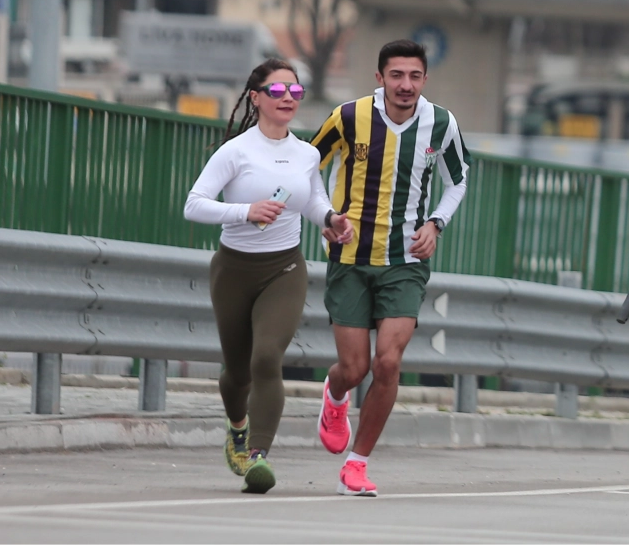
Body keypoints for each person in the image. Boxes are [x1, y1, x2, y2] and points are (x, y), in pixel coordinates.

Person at [183, 58, 353, 494]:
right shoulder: (236, 151)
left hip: (285, 268)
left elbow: (314, 202)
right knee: (236, 374)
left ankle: (258, 455)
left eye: (295, 93)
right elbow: (194, 204)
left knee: (266, 359)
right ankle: (237, 428)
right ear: (256, 98)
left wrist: (331, 219)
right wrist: (245, 211)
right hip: (234, 269)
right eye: (277, 92)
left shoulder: (306, 153)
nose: (287, 100)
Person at [310, 39, 470, 497]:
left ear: (424, 79)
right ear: (379, 78)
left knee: (388, 361)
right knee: (354, 367)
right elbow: (306, 167)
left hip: (406, 261)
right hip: (351, 259)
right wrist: (325, 215)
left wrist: (436, 223)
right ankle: (335, 394)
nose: (406, 85)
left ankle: (356, 464)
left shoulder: (442, 123)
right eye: (396, 75)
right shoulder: (348, 116)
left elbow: (458, 180)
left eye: (414, 76)